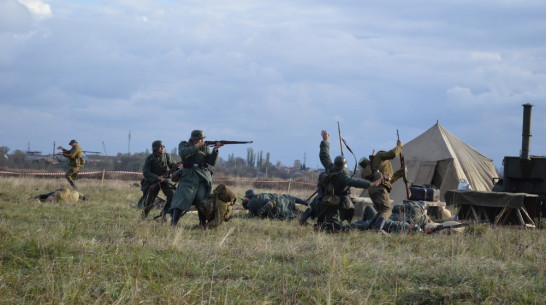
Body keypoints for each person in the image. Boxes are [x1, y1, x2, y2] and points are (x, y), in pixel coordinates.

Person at [305, 130, 380, 232]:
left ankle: (316, 222)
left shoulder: (330, 167)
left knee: (323, 218)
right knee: (336, 228)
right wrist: (371, 184)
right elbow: (355, 182)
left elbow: (324, 155)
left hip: (322, 201)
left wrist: (325, 141)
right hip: (336, 205)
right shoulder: (343, 176)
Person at [170, 130, 223, 225]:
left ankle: (202, 223)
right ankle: (174, 223)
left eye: (202, 139)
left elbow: (211, 162)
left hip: (202, 176)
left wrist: (215, 150)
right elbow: (183, 154)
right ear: (194, 139)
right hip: (188, 175)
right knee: (181, 198)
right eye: (200, 139)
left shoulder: (205, 147)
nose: (202, 140)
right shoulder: (184, 144)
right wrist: (196, 147)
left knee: (201, 198)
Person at [364, 139, 405, 233]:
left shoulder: (382, 167)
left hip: (374, 189)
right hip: (379, 188)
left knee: (381, 211)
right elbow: (392, 154)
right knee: (387, 210)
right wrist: (399, 146)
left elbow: (389, 181)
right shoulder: (380, 155)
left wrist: (399, 173)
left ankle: (369, 229)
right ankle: (377, 231)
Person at [140, 140, 180, 220]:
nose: (162, 148)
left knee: (172, 196)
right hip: (153, 181)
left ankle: (164, 213)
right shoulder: (150, 158)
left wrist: (177, 166)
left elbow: (172, 165)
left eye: (163, 147)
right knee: (150, 200)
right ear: (155, 149)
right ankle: (144, 217)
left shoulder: (166, 156)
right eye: (160, 147)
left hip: (165, 180)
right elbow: (146, 172)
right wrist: (156, 177)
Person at [242, 189, 309, 220]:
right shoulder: (262, 194)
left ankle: (303, 214)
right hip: (281, 200)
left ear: (248, 196)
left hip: (276, 208)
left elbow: (252, 215)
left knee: (290, 215)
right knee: (287, 197)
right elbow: (276, 195)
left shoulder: (251, 202)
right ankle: (304, 202)